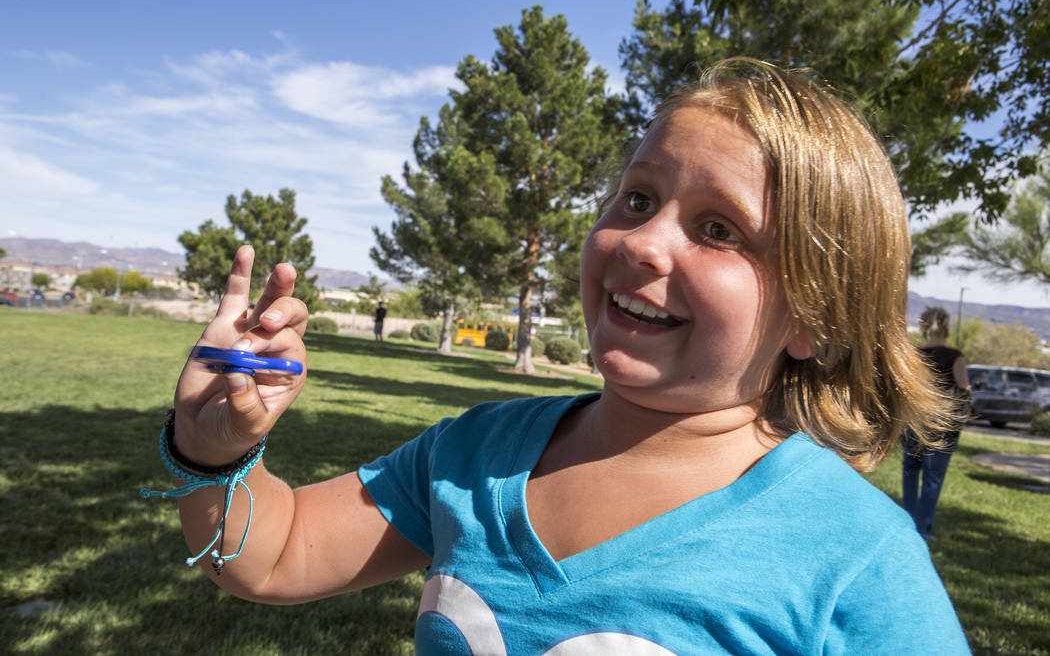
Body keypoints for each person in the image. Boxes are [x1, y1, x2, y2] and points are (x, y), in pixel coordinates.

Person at [159, 59, 970, 653]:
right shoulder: (471, 455)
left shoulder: (857, 555)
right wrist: (213, 452)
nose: (644, 242)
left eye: (719, 230)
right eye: (638, 199)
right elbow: (274, 556)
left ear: (816, 319)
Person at [901, 306, 972, 540]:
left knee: (910, 473)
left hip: (913, 423)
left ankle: (908, 524)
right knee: (932, 478)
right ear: (945, 327)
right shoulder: (954, 357)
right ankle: (922, 530)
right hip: (941, 426)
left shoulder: (914, 355)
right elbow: (963, 390)